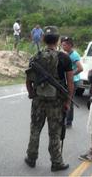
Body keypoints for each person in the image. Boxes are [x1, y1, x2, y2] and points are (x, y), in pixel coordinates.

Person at [24, 26, 73, 171]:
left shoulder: (36, 56)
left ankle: (31, 158)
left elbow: (28, 80)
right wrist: (68, 101)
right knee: (55, 132)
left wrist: (32, 93)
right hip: (56, 101)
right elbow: (70, 82)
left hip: (39, 99)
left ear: (44, 40)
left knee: (35, 129)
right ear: (58, 40)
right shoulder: (64, 57)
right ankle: (56, 162)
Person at [61, 36, 83, 128]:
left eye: (64, 45)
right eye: (62, 45)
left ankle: (68, 121)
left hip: (74, 81)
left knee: (69, 100)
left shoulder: (74, 55)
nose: (63, 46)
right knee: (64, 99)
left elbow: (80, 68)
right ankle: (64, 119)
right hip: (69, 81)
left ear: (70, 45)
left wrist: (71, 75)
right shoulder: (66, 54)